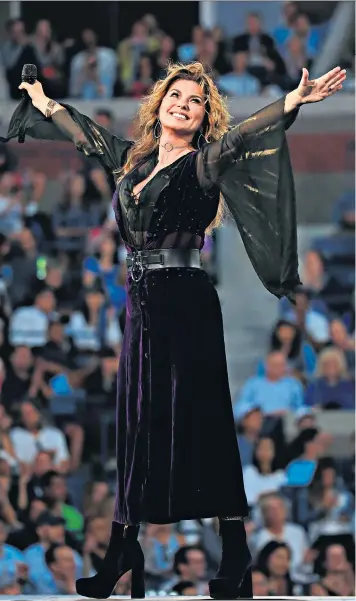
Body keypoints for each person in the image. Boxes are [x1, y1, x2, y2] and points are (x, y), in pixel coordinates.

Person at [2, 60, 346, 600]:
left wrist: (292, 100)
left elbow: (244, 137)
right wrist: (43, 102)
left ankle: (234, 551)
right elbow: (87, 136)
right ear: (159, 102)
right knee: (136, 421)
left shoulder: (202, 163)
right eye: (176, 95)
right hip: (142, 302)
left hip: (186, 298)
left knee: (202, 418)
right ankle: (123, 545)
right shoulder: (131, 161)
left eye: (195, 100)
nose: (183, 104)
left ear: (203, 115)